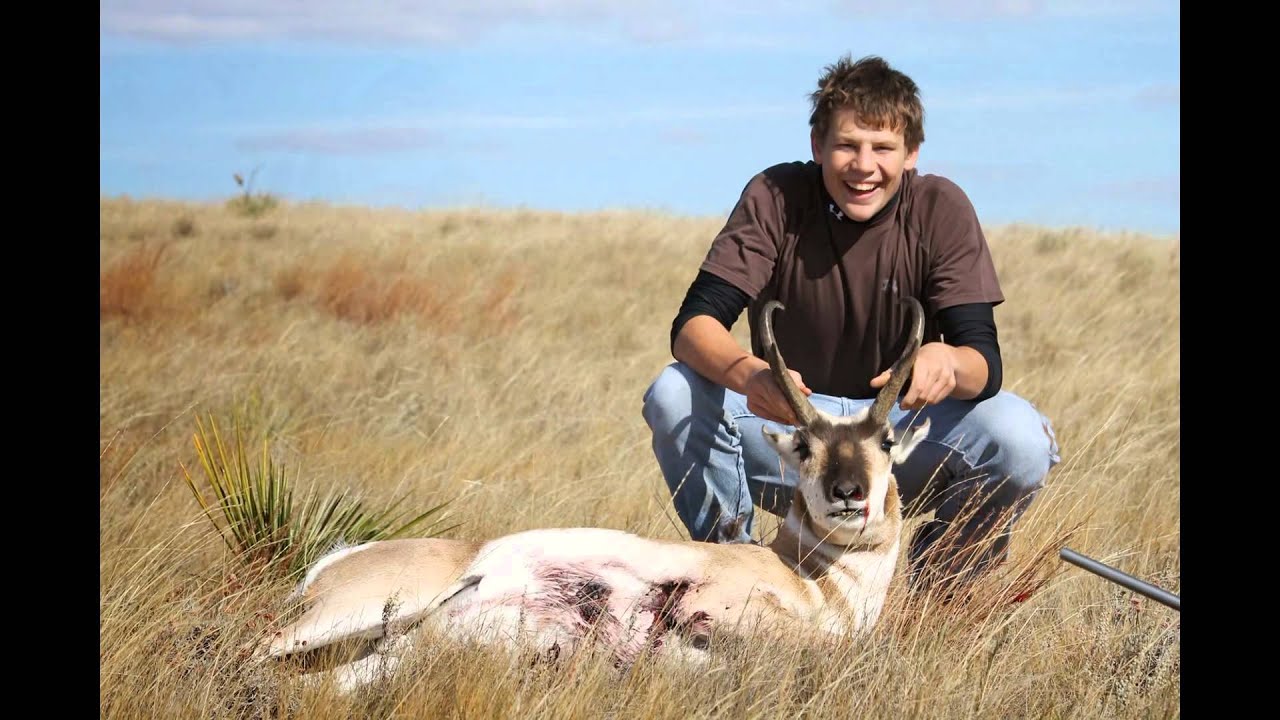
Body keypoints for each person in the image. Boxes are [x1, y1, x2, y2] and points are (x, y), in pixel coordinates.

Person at [641, 54, 1061, 593]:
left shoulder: (942, 207)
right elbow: (693, 326)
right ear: (817, 145)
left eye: (883, 148)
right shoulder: (774, 196)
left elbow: (983, 361)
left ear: (911, 153)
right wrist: (751, 376)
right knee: (673, 393)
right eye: (847, 145)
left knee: (1020, 440)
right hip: (794, 427)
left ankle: (941, 593)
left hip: (895, 435)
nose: (864, 166)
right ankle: (739, 578)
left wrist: (947, 362)